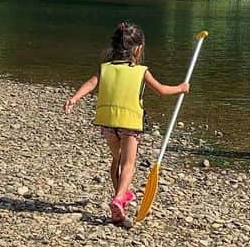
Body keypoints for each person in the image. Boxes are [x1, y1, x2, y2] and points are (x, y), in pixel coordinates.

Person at [65, 22, 190, 223]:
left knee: (117, 159)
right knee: (129, 163)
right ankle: (119, 197)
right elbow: (162, 90)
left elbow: (91, 84)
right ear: (139, 48)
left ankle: (120, 198)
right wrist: (182, 88)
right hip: (129, 123)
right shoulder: (141, 71)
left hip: (107, 123)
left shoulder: (105, 68)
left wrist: (74, 98)